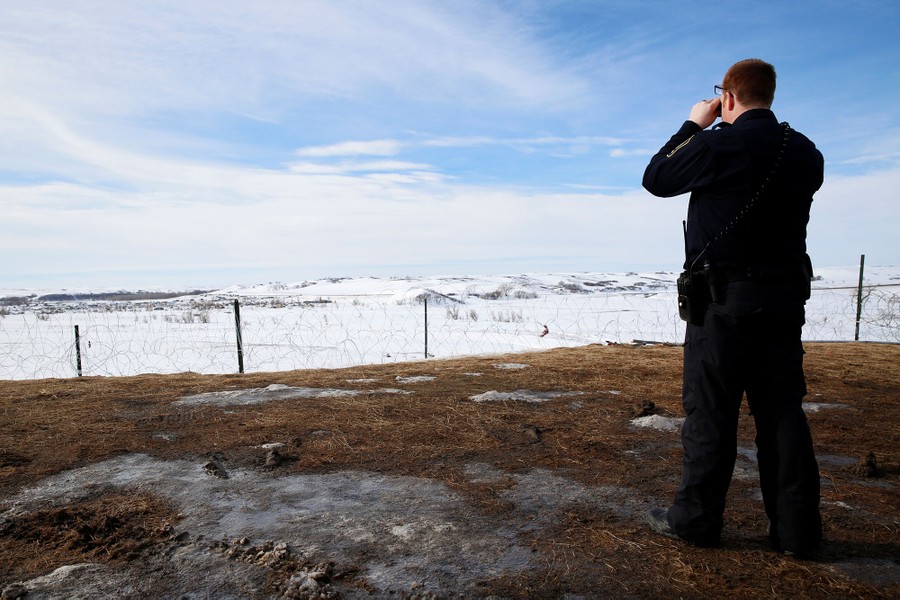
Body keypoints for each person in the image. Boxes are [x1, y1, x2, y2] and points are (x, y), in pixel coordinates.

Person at [641, 59, 823, 557]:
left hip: (721, 305)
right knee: (783, 414)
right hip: (783, 303)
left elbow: (656, 177)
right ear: (771, 93)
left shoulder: (720, 144)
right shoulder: (806, 152)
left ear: (728, 96)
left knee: (711, 413)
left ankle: (696, 521)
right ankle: (797, 532)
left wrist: (693, 124)